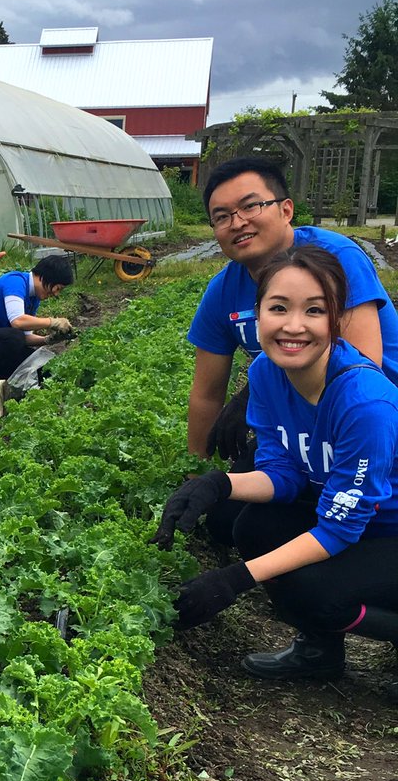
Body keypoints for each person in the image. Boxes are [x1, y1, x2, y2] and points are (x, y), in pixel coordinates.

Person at [153, 245, 398, 683]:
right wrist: (218, 485)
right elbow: (284, 473)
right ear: (258, 314)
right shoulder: (267, 371)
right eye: (279, 307)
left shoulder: (365, 402)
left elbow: (340, 527)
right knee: (254, 527)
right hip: (356, 522)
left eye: (315, 310)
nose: (294, 326)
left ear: (337, 320)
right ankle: (320, 651)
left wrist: (235, 579)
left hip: (389, 531)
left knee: (311, 593)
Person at [187, 157, 398, 464]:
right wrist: (195, 470)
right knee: (225, 507)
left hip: (376, 418)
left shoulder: (335, 259)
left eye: (250, 206)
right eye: (221, 217)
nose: (237, 222)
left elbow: (361, 367)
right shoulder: (223, 291)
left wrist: (250, 396)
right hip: (301, 423)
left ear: (286, 210)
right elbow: (206, 394)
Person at [0, 253, 75, 380]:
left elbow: (25, 337)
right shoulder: (15, 282)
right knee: (14, 337)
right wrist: (52, 322)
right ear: (48, 277)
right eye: (58, 288)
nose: (56, 293)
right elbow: (17, 322)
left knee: (41, 364)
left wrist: (47, 339)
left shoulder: (34, 298)